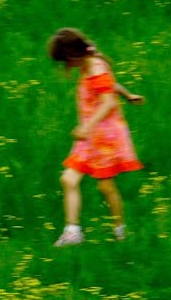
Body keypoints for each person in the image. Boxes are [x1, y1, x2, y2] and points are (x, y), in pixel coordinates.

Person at [47, 27, 144, 246]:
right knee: (68, 179)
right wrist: (128, 95)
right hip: (90, 135)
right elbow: (110, 86)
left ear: (72, 55)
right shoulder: (89, 64)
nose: (65, 66)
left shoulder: (96, 66)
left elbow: (107, 102)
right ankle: (72, 233)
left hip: (104, 137)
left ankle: (120, 231)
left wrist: (86, 126)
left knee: (105, 186)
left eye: (65, 61)